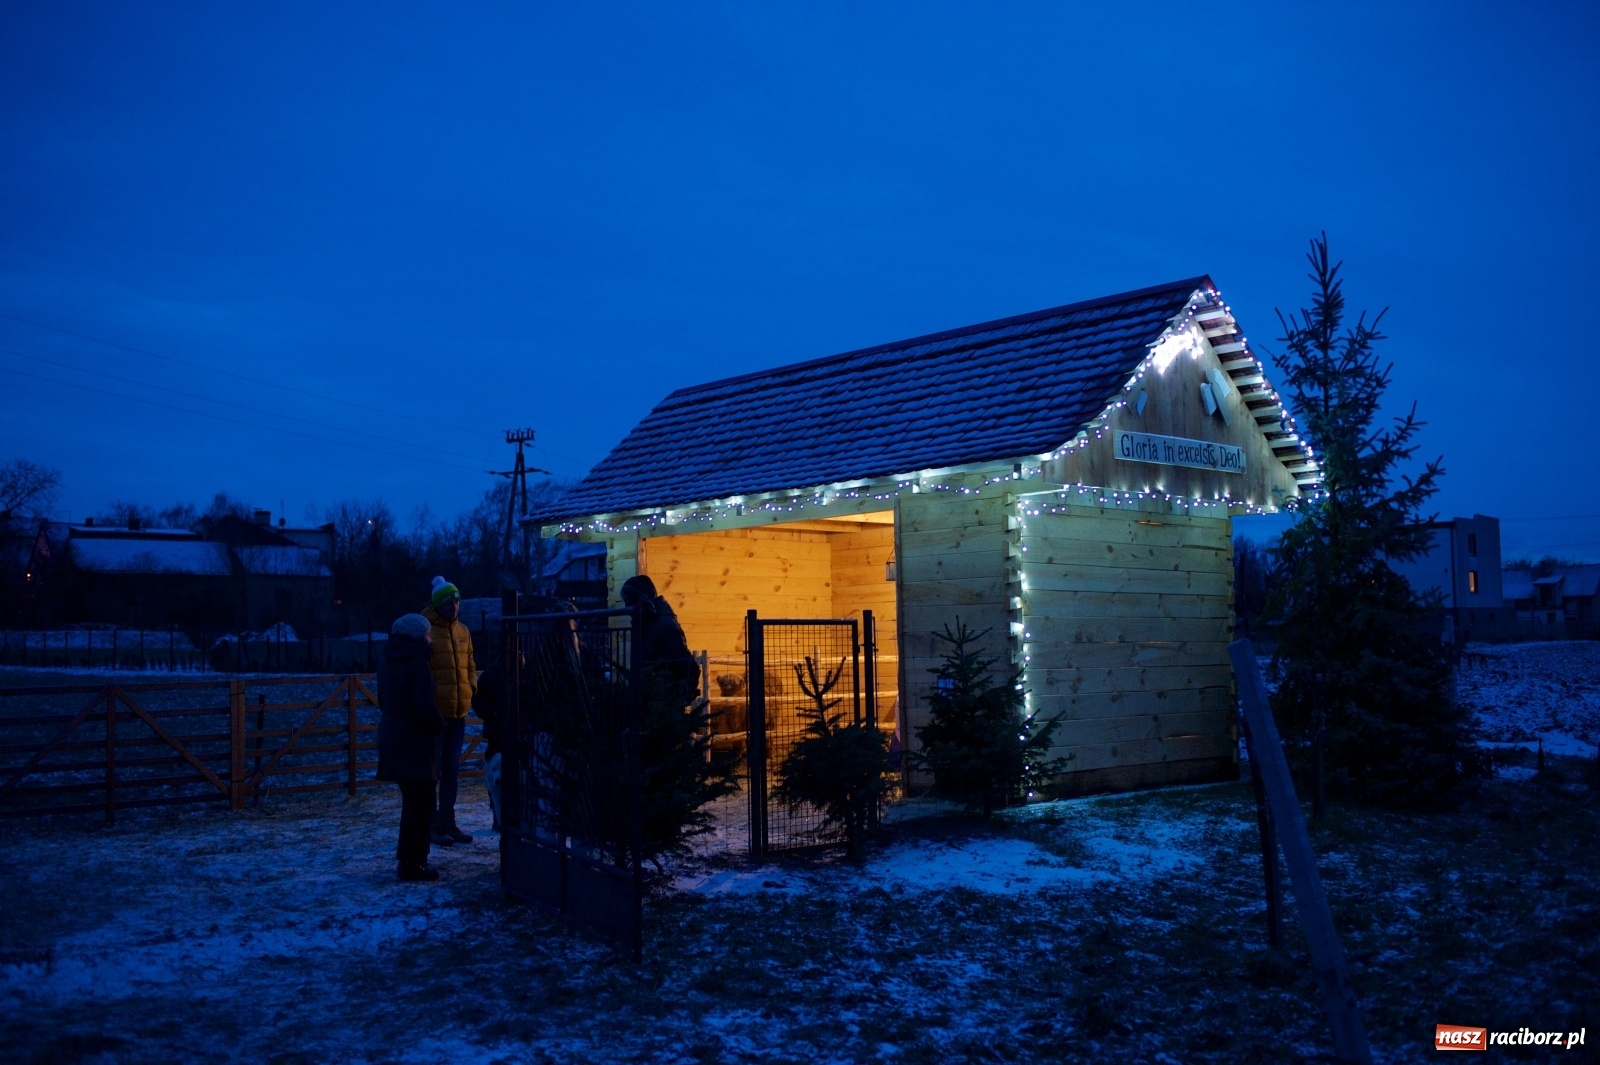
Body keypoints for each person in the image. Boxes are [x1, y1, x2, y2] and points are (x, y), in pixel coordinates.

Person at [376, 613, 446, 882]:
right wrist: (440, 725)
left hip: (393, 736)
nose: (430, 638)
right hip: (416, 740)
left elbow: (383, 700)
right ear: (419, 636)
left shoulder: (387, 660)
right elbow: (424, 705)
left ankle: (409, 860)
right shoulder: (417, 663)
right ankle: (414, 863)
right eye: (427, 633)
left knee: (412, 802)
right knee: (422, 803)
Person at [423, 575, 477, 845]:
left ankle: (448, 822)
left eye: (457, 601)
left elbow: (470, 665)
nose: (454, 606)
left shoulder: (463, 632)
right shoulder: (426, 632)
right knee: (432, 773)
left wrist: (471, 687)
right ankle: (433, 825)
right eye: (448, 602)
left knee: (451, 772)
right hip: (436, 715)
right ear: (437, 604)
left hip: (458, 712)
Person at [619, 574, 699, 704]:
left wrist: (675, 700)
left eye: (632, 601)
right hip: (650, 701)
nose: (628, 608)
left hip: (661, 703)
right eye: (627, 602)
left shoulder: (664, 626)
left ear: (645, 599)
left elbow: (685, 667)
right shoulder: (646, 624)